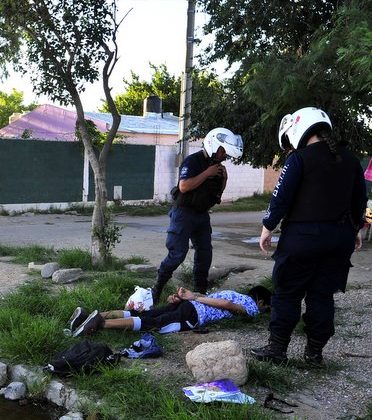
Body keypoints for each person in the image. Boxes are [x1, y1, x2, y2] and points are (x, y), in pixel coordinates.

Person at [251, 107, 367, 367]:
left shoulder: (299, 158)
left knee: (287, 293)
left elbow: (281, 196)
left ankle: (277, 349)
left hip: (303, 238)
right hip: (339, 240)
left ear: (298, 129)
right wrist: (356, 228)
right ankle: (314, 354)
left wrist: (267, 226)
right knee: (322, 295)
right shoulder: (349, 159)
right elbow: (360, 198)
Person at [151, 128, 244, 303]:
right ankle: (157, 289)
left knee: (204, 253)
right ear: (213, 145)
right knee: (178, 253)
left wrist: (223, 180)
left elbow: (217, 195)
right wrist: (207, 173)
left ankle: (199, 293)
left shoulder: (218, 169)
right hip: (183, 213)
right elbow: (184, 186)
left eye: (225, 153)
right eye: (222, 150)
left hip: (201, 215)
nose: (224, 155)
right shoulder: (193, 161)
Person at [70, 286, 271, 337]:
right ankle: (100, 324)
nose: (263, 312)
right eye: (266, 308)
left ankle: (98, 315)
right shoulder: (251, 305)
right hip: (194, 314)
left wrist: (187, 297)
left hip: (188, 306)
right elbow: (227, 305)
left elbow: (221, 299)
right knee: (154, 324)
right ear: (260, 301)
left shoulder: (234, 292)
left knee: (146, 315)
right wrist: (194, 297)